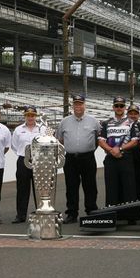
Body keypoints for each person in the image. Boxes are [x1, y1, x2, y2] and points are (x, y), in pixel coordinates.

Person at [56, 94, 101, 223]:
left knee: (90, 186)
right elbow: (60, 139)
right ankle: (72, 213)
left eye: (80, 103)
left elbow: (97, 139)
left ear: (84, 105)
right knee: (71, 186)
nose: (78, 106)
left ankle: (91, 210)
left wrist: (87, 149)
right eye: (76, 104)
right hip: (70, 158)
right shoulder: (64, 121)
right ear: (72, 105)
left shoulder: (94, 121)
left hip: (87, 157)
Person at [97, 97, 139, 207]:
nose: (119, 108)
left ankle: (131, 215)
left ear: (125, 107)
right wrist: (111, 150)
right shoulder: (106, 123)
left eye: (121, 106)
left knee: (129, 187)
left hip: (126, 157)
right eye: (117, 106)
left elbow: (135, 141)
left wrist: (120, 149)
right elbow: (101, 141)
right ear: (113, 107)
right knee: (111, 187)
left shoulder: (131, 123)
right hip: (111, 158)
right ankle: (112, 213)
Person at [10, 105, 46, 223]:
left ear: (36, 116)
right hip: (23, 160)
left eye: (32, 115)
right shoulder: (18, 129)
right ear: (24, 116)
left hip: (39, 161)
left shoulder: (42, 129)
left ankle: (41, 212)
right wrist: (24, 155)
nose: (30, 117)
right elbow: (14, 146)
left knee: (39, 188)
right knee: (22, 189)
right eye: (28, 115)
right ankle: (20, 215)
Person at [126, 104, 140, 199]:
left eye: (135, 113)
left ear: (139, 115)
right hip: (126, 158)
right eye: (131, 113)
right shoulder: (122, 127)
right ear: (127, 114)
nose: (133, 115)